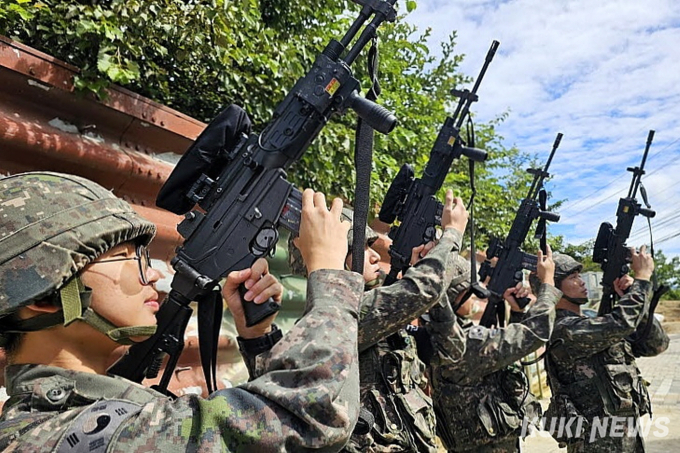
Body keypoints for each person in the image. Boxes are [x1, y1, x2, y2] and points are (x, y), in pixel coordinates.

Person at [0, 171, 364, 452]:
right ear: (46, 296)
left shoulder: (99, 408)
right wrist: (329, 275)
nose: (153, 273)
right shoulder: (63, 437)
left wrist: (258, 338)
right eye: (123, 257)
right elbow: (309, 420)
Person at [288, 190, 470, 452]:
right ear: (333, 254)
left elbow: (452, 351)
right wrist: (451, 235)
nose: (374, 256)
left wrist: (430, 288)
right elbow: (422, 291)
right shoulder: (341, 317)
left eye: (372, 247)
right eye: (360, 248)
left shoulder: (367, 310)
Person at [424, 247, 560, 452]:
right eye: (469, 291)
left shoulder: (439, 336)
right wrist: (547, 283)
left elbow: (504, 357)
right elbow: (536, 332)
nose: (475, 298)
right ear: (455, 296)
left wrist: (516, 313)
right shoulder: (463, 344)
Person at [544, 248, 669, 452]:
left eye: (580, 276)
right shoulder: (565, 330)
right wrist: (642, 280)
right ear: (554, 288)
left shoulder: (592, 325)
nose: (582, 281)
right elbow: (621, 323)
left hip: (626, 438)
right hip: (594, 443)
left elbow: (656, 344)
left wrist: (632, 295)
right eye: (573, 277)